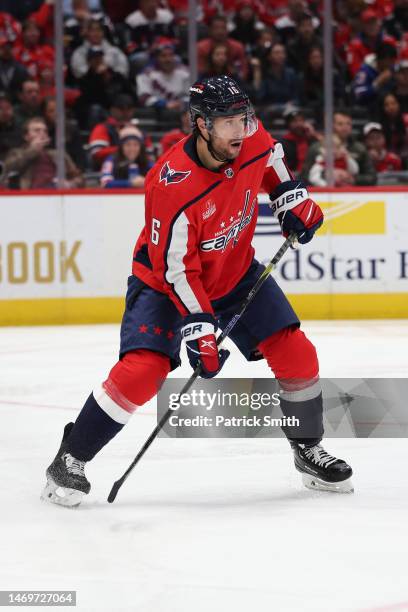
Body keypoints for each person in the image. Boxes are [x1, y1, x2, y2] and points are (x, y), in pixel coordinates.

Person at [41, 75, 353, 508]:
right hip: (167, 284)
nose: (240, 132)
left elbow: (272, 161)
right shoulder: (170, 185)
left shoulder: (249, 136)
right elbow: (177, 270)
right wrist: (200, 329)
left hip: (235, 271)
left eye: (243, 120)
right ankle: (71, 458)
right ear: (202, 125)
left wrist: (290, 199)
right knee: (143, 371)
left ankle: (307, 448)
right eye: (228, 123)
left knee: (297, 352)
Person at [2, 116, 83, 189]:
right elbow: (8, 169)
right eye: (37, 131)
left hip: (56, 193)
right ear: (26, 137)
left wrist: (70, 184)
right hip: (30, 196)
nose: (42, 133)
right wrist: (32, 150)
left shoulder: (58, 154)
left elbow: (78, 177)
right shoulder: (16, 153)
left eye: (45, 131)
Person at [302, 110, 377, 185]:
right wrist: (325, 175)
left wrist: (352, 179)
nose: (345, 127)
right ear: (331, 125)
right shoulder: (316, 148)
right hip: (324, 192)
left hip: (353, 193)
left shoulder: (360, 148)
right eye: (340, 124)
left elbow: (372, 177)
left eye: (348, 124)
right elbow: (304, 176)